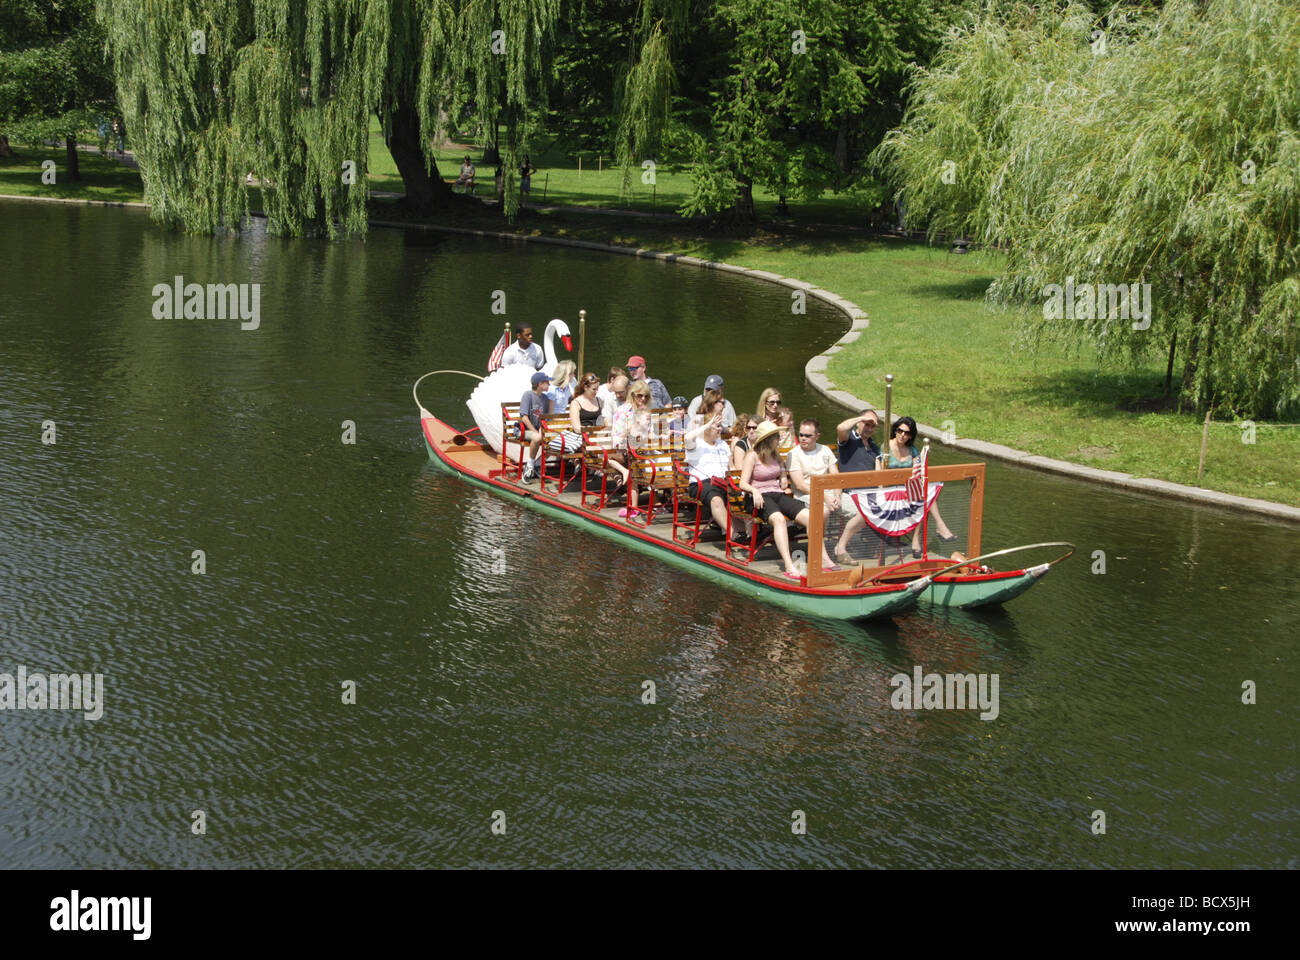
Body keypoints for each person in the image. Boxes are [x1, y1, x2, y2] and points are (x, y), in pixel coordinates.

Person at [739, 422, 833, 579]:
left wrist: (783, 477)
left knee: (812, 518)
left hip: (777, 493)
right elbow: (743, 482)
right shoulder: (752, 455)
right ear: (768, 439)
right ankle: (789, 565)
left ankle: (822, 558)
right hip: (759, 497)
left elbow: (782, 470)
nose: (779, 439)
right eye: (776, 436)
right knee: (779, 520)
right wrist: (754, 490)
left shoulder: (775, 454)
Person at [886, 415, 957, 555]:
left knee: (925, 495)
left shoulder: (912, 450)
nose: (902, 435)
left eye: (907, 433)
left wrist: (924, 455)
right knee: (925, 497)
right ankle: (938, 528)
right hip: (891, 490)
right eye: (900, 431)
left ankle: (919, 537)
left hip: (907, 489)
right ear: (895, 430)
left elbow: (920, 470)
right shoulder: (886, 446)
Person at [831, 409, 881, 563]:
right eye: (867, 424)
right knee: (866, 512)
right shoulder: (849, 439)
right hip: (850, 492)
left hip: (869, 494)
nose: (870, 429)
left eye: (873, 426)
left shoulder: (874, 447)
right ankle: (840, 548)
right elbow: (840, 428)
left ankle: (877, 546)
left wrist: (881, 493)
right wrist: (861, 417)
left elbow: (879, 474)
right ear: (859, 422)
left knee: (887, 506)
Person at [683, 404, 733, 533]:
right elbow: (687, 437)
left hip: (722, 482)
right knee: (716, 499)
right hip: (701, 484)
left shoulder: (723, 444)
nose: (720, 429)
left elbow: (731, 467)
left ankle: (748, 532)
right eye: (717, 426)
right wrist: (707, 424)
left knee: (742, 497)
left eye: (720, 426)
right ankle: (732, 533)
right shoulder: (697, 444)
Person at [612, 381, 654, 518]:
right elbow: (617, 439)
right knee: (632, 460)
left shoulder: (647, 413)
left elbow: (652, 433)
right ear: (633, 395)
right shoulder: (623, 411)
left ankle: (640, 505)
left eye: (646, 396)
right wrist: (628, 431)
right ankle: (634, 507)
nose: (643, 399)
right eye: (640, 396)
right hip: (627, 450)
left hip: (645, 450)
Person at [519, 371, 552, 482]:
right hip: (524, 430)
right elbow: (524, 417)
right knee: (537, 438)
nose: (549, 385)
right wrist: (535, 431)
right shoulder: (528, 395)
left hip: (538, 430)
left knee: (557, 440)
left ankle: (538, 464)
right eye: (547, 382)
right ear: (540, 384)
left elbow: (545, 418)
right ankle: (529, 466)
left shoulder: (545, 399)